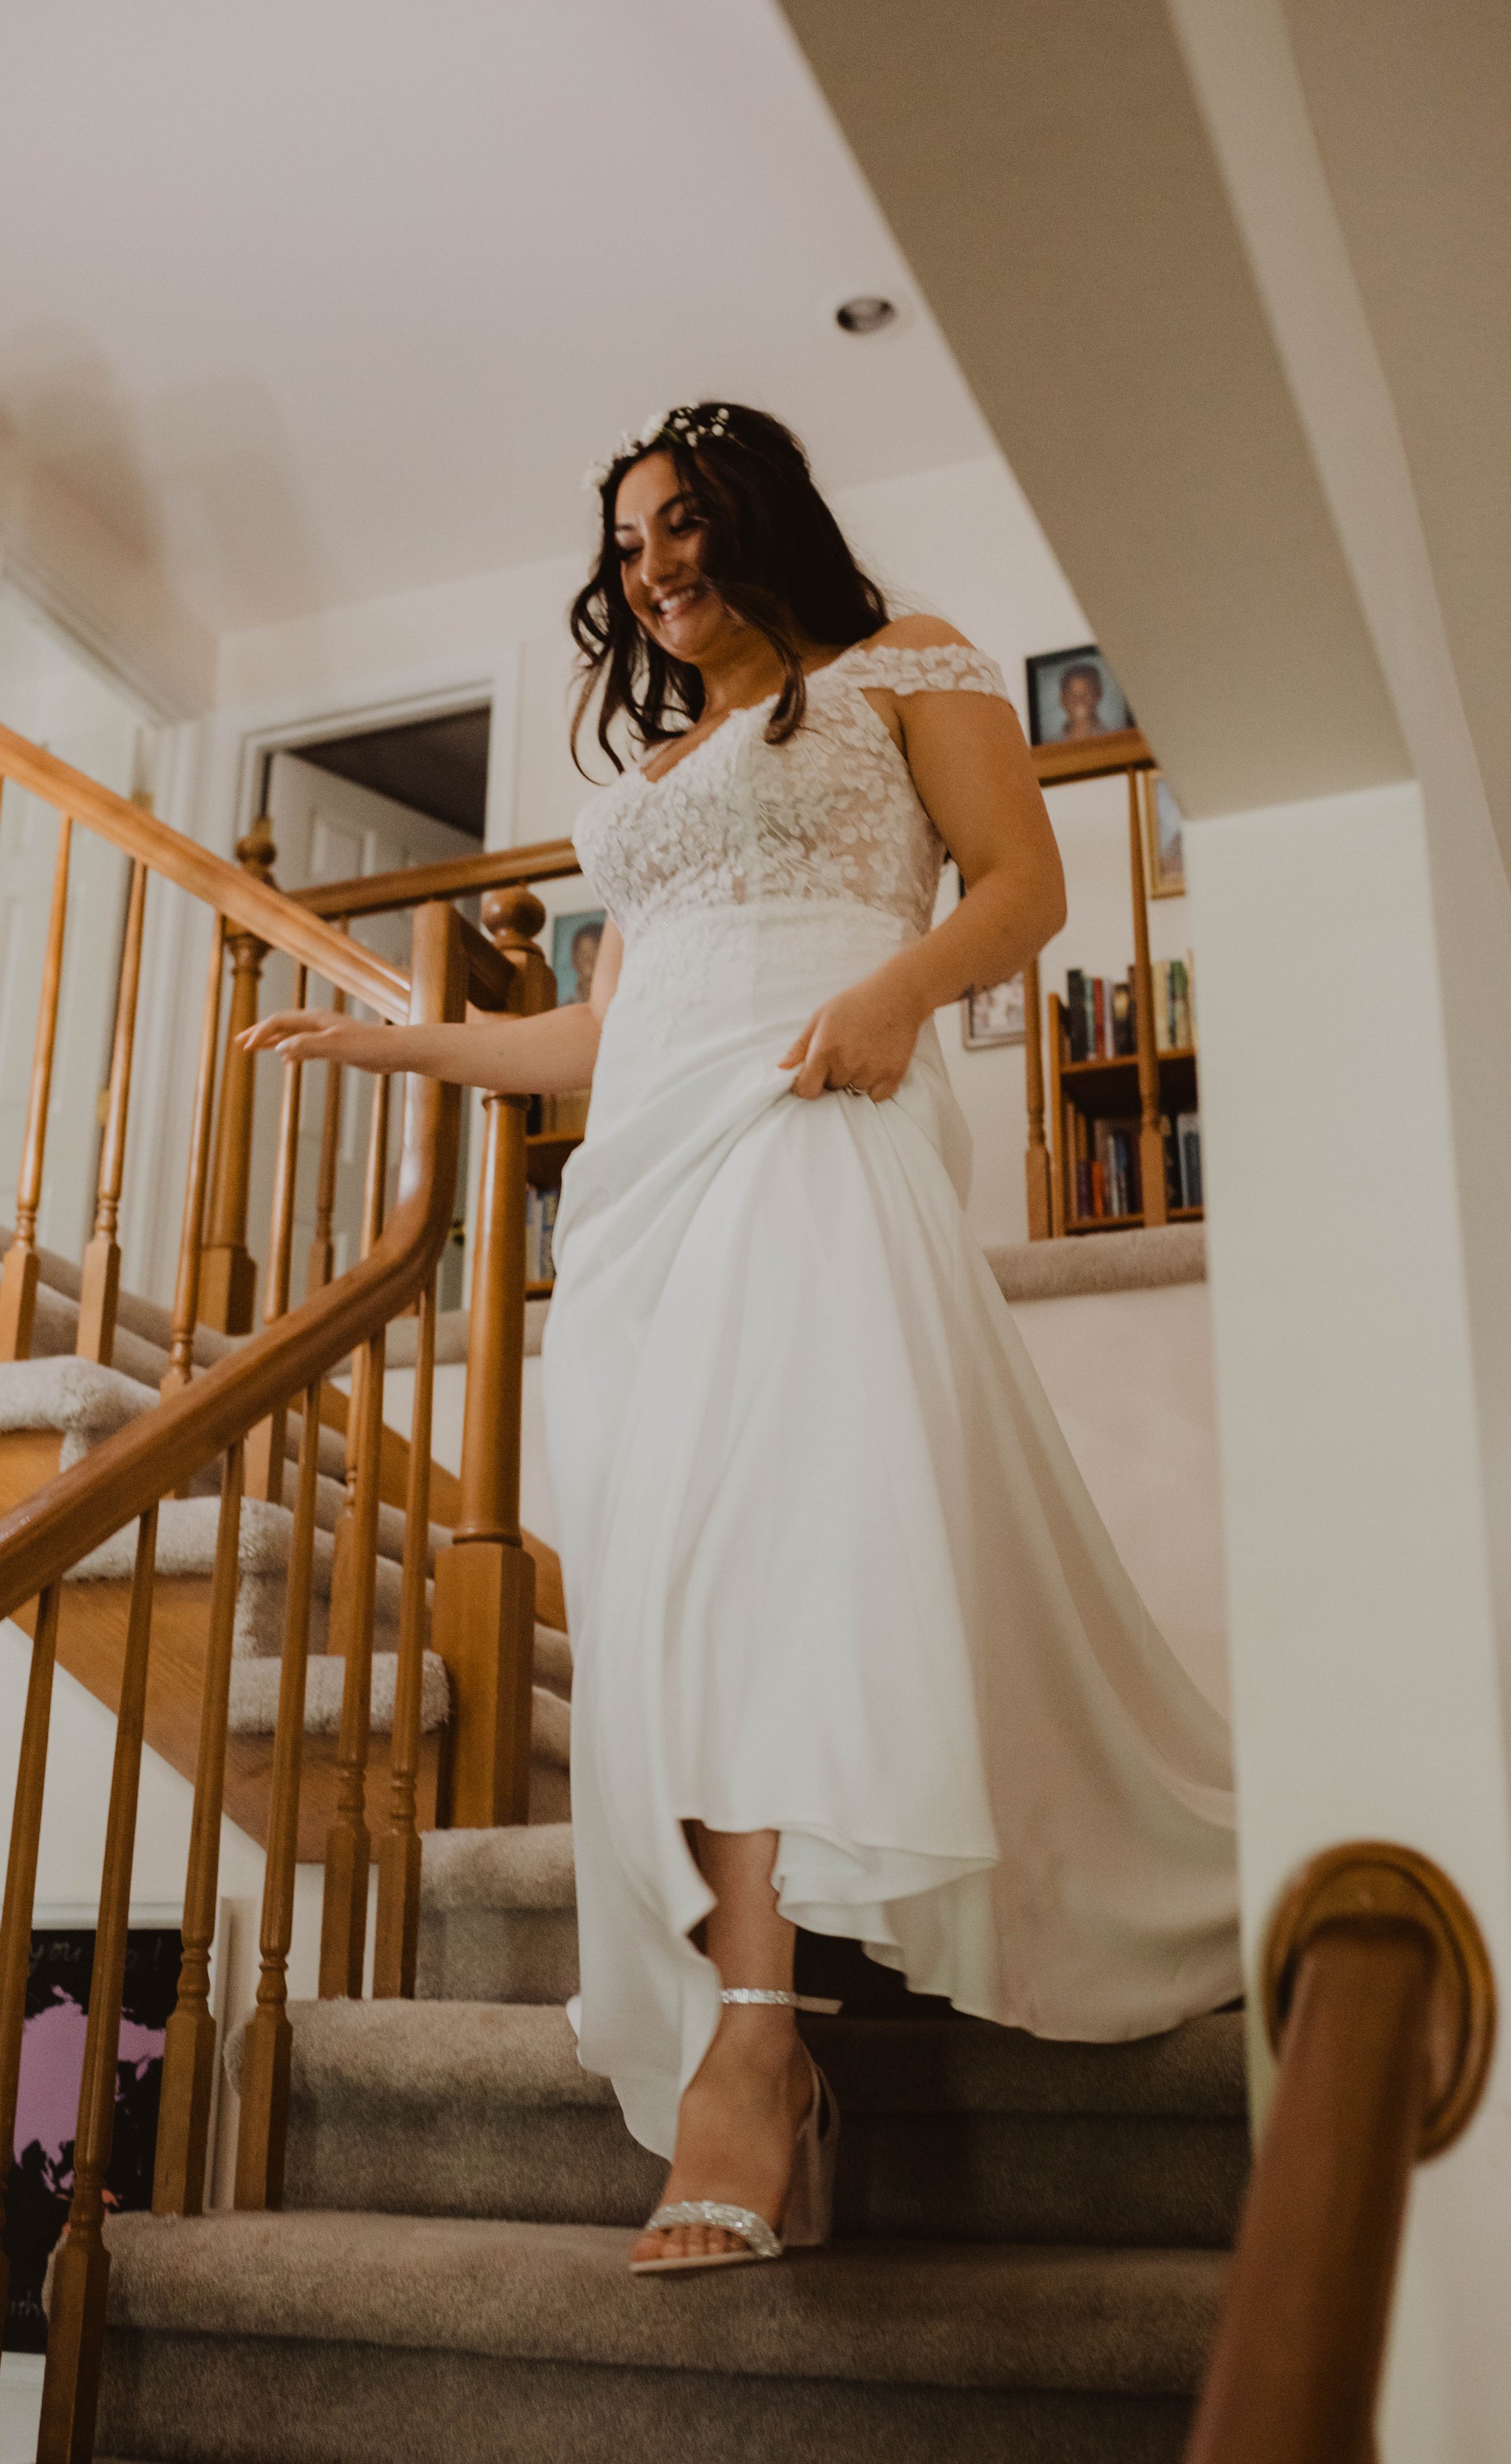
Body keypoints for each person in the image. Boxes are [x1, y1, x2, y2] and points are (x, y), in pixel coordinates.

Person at [243, 403, 1240, 2279]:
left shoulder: (907, 661)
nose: (654, 564)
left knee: (777, 1547)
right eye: (626, 544)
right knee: (682, 1579)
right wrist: (399, 1042)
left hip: (816, 1127)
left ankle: (755, 2050)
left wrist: (888, 994)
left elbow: (1023, 887)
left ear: (759, 518)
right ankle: (752, 2019)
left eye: (682, 522)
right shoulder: (655, 764)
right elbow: (600, 1039)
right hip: (645, 1191)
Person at [1056, 658, 1109, 739]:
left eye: (1086, 694)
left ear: (1098, 695)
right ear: (1063, 699)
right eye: (1072, 695)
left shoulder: (1112, 735)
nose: (1079, 701)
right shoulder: (1051, 742)